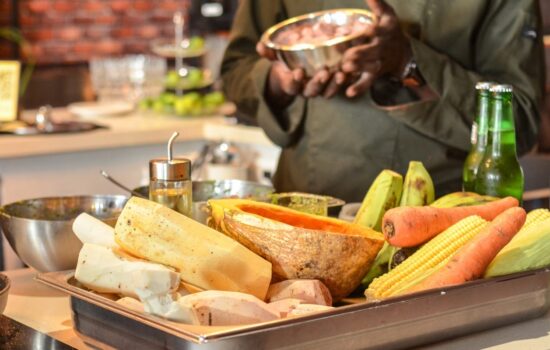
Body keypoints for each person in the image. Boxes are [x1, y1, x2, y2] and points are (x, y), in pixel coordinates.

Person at [221, 0, 544, 203]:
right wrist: (281, 79)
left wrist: (408, 62)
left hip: (435, 230)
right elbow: (235, 72)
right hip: (301, 213)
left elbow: (522, 123)